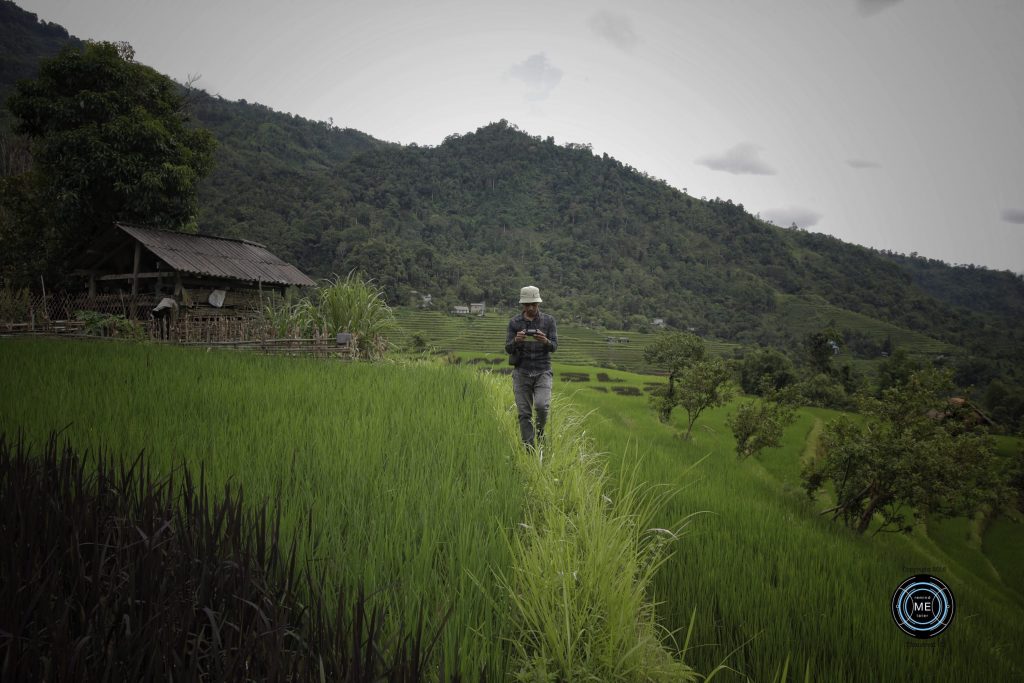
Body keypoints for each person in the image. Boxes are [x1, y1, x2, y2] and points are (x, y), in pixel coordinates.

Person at [505, 285, 558, 449]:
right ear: (522, 305)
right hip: (522, 372)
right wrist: (516, 340)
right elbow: (508, 348)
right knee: (524, 414)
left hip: (543, 370)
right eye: (527, 305)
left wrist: (545, 341)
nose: (531, 307)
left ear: (538, 303)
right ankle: (529, 448)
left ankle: (540, 432)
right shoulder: (514, 323)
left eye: (533, 304)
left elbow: (554, 346)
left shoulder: (549, 321)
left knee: (542, 406)